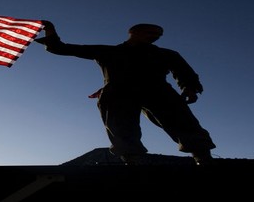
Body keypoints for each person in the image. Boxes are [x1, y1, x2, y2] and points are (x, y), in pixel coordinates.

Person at [35, 21, 216, 165]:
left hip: (158, 91)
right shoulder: (108, 51)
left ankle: (203, 159)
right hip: (118, 92)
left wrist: (190, 88)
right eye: (150, 33)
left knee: (183, 122)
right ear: (133, 32)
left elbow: (184, 72)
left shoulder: (167, 54)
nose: (155, 37)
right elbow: (62, 48)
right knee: (121, 127)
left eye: (158, 35)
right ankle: (133, 160)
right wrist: (49, 29)